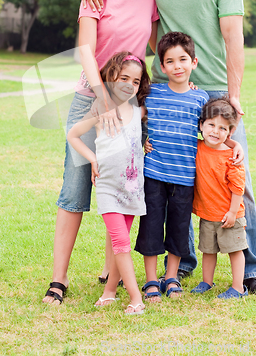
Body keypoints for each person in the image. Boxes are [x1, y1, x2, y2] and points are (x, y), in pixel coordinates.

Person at [81, 0, 256, 296]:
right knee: (177, 173)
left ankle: (252, 269)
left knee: (235, 174)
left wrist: (234, 95)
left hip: (215, 90)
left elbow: (232, 36)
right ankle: (183, 262)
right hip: (171, 89)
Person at [42, 0, 159, 305]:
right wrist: (102, 99)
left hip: (130, 106)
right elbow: (85, 51)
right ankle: (58, 280)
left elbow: (156, 44)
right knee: (75, 188)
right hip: (90, 99)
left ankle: (112, 273)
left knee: (123, 186)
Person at [135, 32, 243, 302]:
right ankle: (151, 280)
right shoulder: (152, 93)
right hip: (154, 174)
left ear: (194, 62)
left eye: (183, 59)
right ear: (162, 67)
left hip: (185, 178)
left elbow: (213, 130)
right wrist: (142, 141)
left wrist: (234, 145)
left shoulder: (200, 98)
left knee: (178, 227)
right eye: (170, 61)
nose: (177, 66)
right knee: (150, 226)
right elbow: (131, 118)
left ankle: (171, 277)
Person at [67, 52, 150, 314]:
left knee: (121, 242)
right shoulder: (102, 110)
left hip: (133, 187)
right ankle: (136, 297)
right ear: (110, 77)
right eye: (123, 77)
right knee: (120, 242)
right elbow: (74, 134)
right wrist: (92, 158)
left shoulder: (139, 109)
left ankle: (110, 291)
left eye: (135, 81)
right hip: (108, 186)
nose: (129, 84)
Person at [191, 97, 248, 299]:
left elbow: (238, 188)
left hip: (229, 214)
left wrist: (233, 212)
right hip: (207, 213)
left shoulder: (232, 156)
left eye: (223, 128)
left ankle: (238, 287)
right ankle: (207, 281)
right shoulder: (196, 147)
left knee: (235, 250)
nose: (216, 131)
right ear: (201, 125)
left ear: (230, 132)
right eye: (211, 125)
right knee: (208, 250)